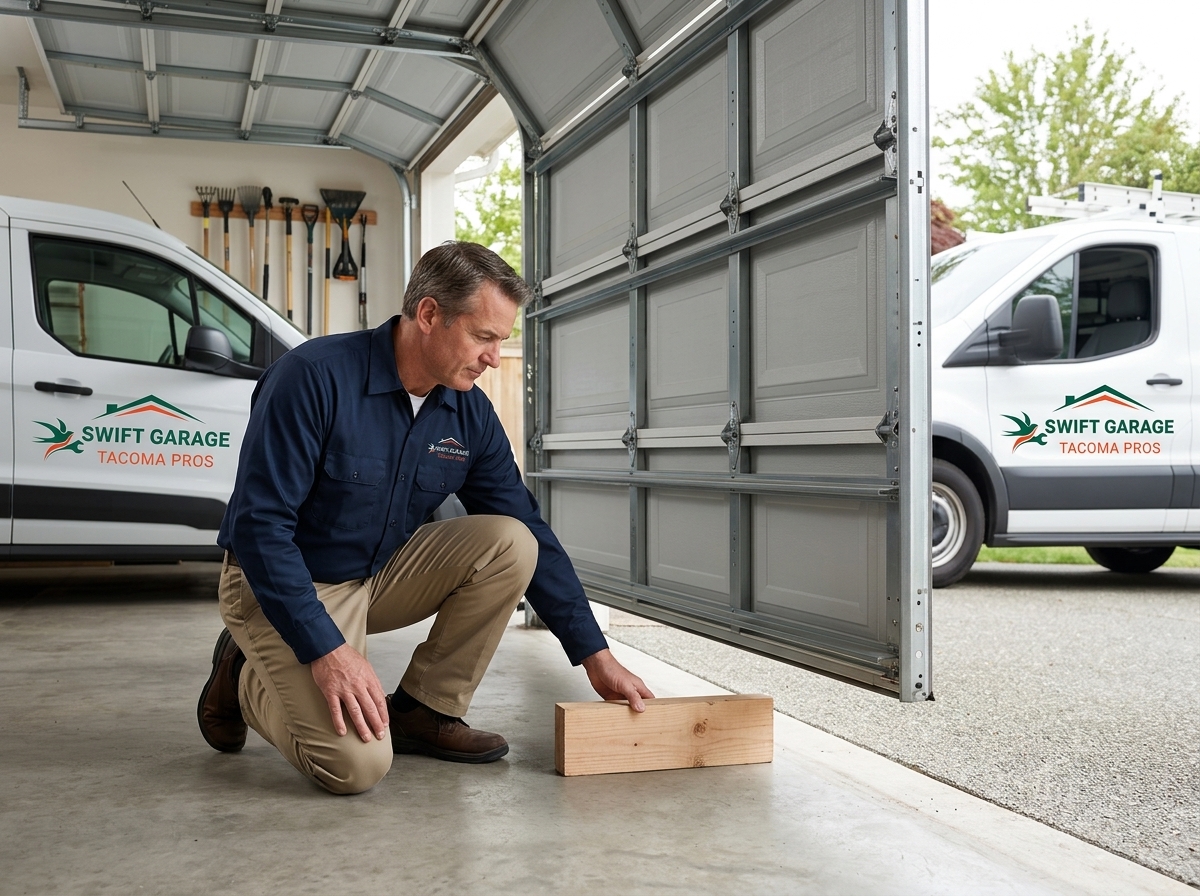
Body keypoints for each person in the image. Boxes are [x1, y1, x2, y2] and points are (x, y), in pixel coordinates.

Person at [197, 241, 653, 794]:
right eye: (483, 337)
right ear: (429, 314)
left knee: (511, 542)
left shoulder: (468, 411)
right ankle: (245, 674)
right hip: (277, 583)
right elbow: (259, 528)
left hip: (376, 575)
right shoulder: (312, 378)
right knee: (355, 767)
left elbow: (526, 525)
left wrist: (594, 655)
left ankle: (424, 709)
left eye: (500, 341)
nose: (493, 358)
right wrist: (326, 650)